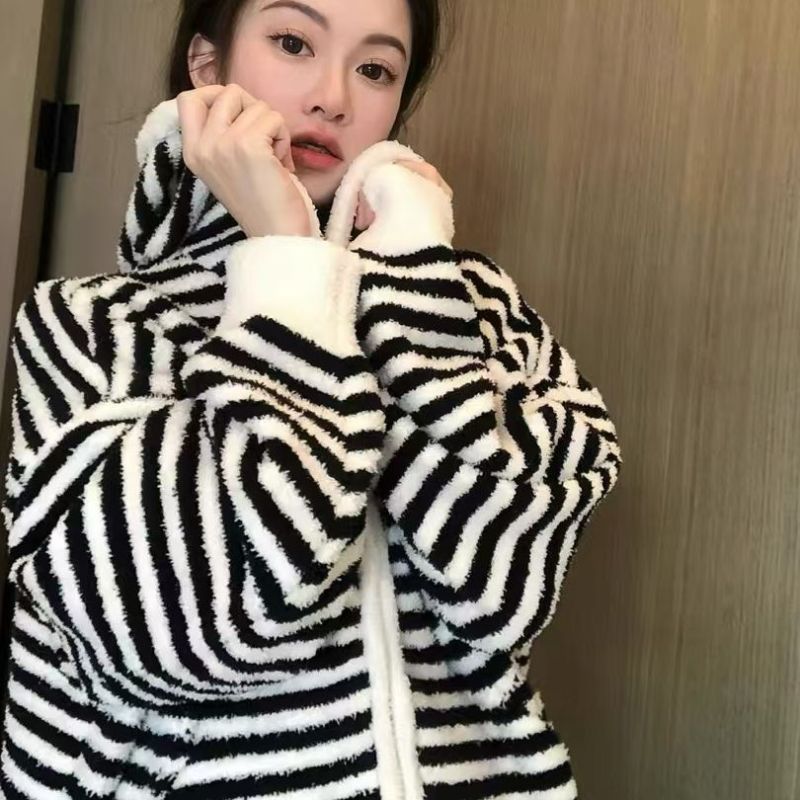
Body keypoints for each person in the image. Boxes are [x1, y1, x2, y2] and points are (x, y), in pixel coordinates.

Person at [0, 1, 621, 798]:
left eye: (375, 69)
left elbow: (500, 593)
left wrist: (410, 281)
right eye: (293, 42)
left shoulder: (479, 311)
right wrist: (287, 266)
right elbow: (190, 633)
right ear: (208, 65)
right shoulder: (91, 325)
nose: (333, 97)